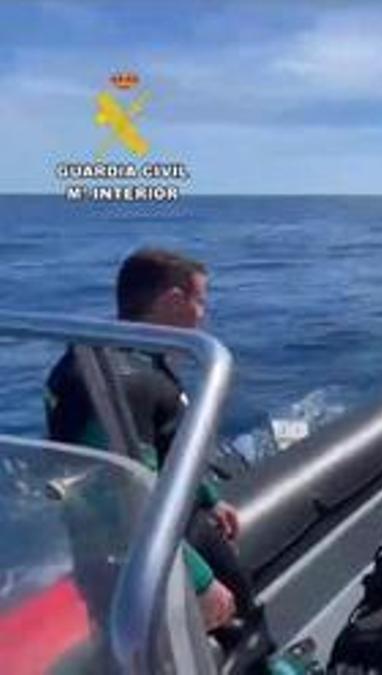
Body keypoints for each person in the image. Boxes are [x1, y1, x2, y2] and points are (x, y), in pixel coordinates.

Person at [44, 248, 252, 633]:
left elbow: (159, 449)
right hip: (137, 556)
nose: (203, 314)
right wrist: (200, 580)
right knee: (241, 631)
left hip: (166, 531)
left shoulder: (122, 356)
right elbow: (116, 495)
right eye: (200, 300)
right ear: (173, 301)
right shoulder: (122, 378)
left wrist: (208, 496)